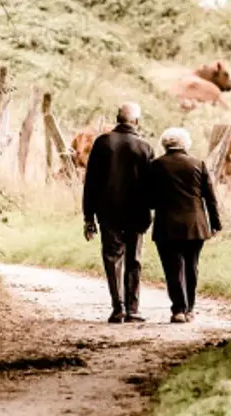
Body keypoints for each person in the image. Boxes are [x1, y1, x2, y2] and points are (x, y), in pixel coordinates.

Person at [82, 102, 155, 324]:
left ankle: (118, 308)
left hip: (108, 211)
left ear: (117, 118)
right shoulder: (145, 147)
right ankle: (133, 309)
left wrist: (88, 216)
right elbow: (151, 185)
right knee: (134, 259)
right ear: (137, 121)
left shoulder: (103, 143)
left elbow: (91, 182)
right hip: (137, 212)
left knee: (112, 257)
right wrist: (151, 210)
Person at [148, 127, 221, 324]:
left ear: (165, 144)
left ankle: (178, 309)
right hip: (195, 225)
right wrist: (215, 224)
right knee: (192, 267)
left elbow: (149, 199)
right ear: (185, 144)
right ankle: (190, 309)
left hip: (166, 225)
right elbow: (210, 198)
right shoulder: (199, 164)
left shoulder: (155, 165)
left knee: (173, 269)